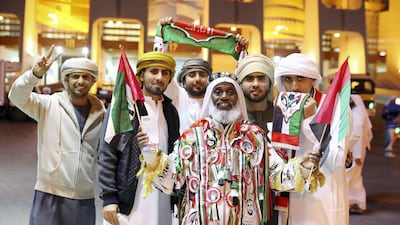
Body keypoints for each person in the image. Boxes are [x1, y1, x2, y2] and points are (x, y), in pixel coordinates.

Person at [137, 72, 323, 225]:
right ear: (210, 98)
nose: (224, 96)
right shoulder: (193, 135)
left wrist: (303, 167)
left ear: (238, 97)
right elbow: (171, 181)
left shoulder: (255, 137)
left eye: (230, 92)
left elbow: (275, 176)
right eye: (218, 92)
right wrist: (149, 154)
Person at [8, 45, 106, 225]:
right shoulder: (48, 105)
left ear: (93, 81)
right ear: (66, 80)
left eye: (86, 76)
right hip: (50, 192)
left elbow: (107, 154)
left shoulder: (101, 114)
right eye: (75, 76)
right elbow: (16, 96)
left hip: (84, 197)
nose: (81, 81)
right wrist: (34, 75)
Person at [98, 51, 180, 225]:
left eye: (165, 73)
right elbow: (107, 153)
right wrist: (109, 198)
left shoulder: (170, 111)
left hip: (161, 198)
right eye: (154, 71)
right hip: (129, 201)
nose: (160, 77)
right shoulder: (124, 108)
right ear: (141, 74)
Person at [274, 53, 349, 225]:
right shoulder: (281, 106)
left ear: (312, 80)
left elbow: (336, 159)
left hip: (323, 195)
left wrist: (309, 121)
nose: (294, 86)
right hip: (291, 195)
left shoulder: (335, 106)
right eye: (287, 79)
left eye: (301, 79)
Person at [164, 58, 212, 133]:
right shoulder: (178, 96)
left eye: (202, 75)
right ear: (183, 81)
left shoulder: (214, 100)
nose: (197, 79)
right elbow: (164, 68)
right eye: (192, 75)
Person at [346, 94, 373, 214]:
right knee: (354, 177)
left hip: (355, 152)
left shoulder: (357, 114)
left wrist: (356, 155)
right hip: (355, 150)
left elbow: (358, 135)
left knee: (352, 177)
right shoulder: (357, 112)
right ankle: (354, 202)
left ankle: (357, 202)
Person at [235, 53, 275, 131]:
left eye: (261, 78)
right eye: (249, 79)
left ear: (270, 83)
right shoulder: (232, 117)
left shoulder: (281, 116)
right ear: (240, 84)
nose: (255, 84)